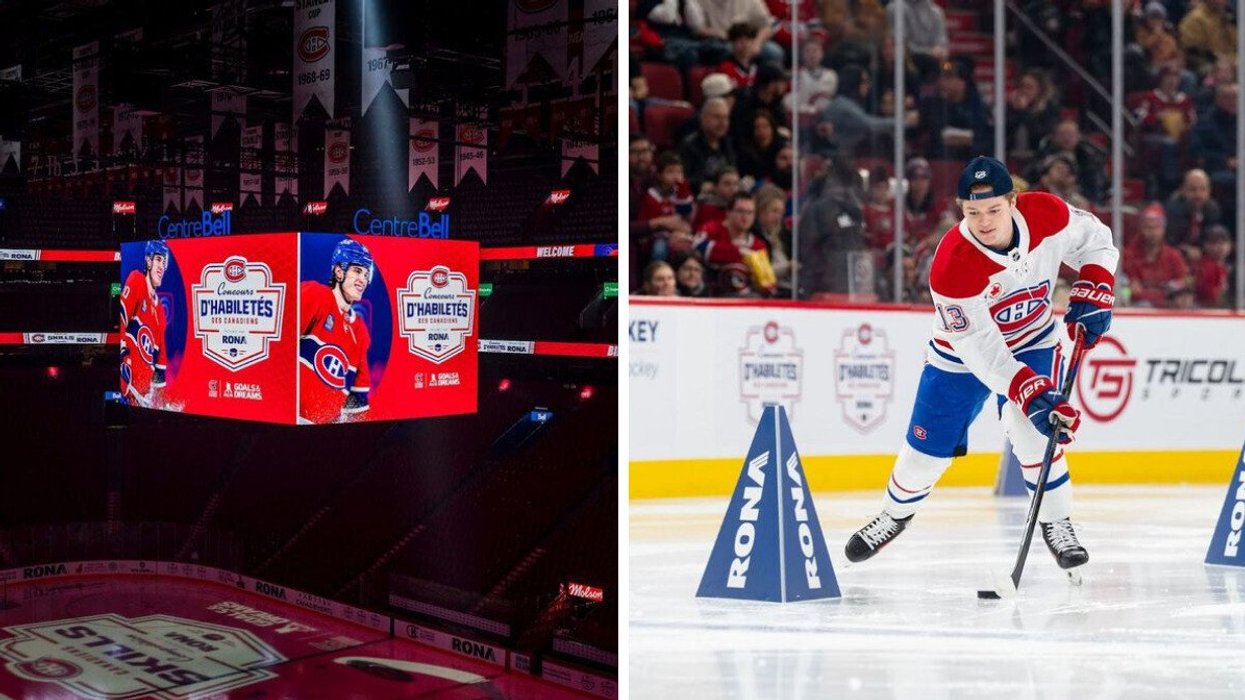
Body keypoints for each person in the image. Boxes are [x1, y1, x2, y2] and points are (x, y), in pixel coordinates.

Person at [845, 156, 1120, 576]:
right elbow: (980, 349)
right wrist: (1028, 389)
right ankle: (893, 514)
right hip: (960, 356)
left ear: (1013, 201)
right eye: (973, 212)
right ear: (961, 210)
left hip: (1032, 340)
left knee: (1032, 432)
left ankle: (1057, 522)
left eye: (993, 209)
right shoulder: (951, 264)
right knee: (925, 455)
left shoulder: (1047, 213)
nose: (984, 221)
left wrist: (1097, 281)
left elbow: (1096, 239)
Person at [299, 238, 374, 424]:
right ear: (339, 272)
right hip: (294, 423)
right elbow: (278, 348)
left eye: (366, 274)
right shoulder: (315, 295)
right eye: (357, 271)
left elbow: (357, 400)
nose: (363, 280)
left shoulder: (360, 331)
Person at [120, 240, 170, 408]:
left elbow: (161, 363)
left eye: (164, 262)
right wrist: (122, 357)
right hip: (125, 391)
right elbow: (121, 319)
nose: (162, 266)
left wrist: (159, 404)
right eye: (158, 259)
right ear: (148, 261)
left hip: (140, 400)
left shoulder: (160, 312)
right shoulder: (137, 280)